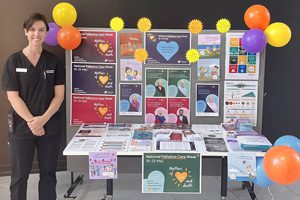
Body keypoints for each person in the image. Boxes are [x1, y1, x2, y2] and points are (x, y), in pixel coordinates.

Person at [2, 13, 65, 200]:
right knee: (19, 176)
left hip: (50, 126)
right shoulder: (13, 61)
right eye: (32, 29)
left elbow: (59, 95)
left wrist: (43, 120)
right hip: (22, 128)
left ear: (46, 33)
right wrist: (32, 122)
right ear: (25, 32)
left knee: (48, 174)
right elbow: (13, 97)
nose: (36, 34)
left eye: (41, 30)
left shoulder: (53, 61)